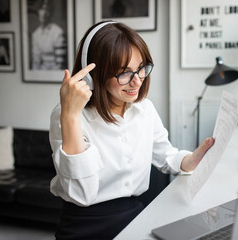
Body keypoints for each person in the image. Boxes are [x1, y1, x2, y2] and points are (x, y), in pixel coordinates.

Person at [49, 21, 214, 240]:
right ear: (93, 75)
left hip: (134, 216)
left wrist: (190, 160)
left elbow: (166, 156)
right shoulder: (68, 114)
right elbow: (82, 194)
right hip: (84, 225)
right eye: (124, 73)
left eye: (140, 69)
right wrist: (70, 116)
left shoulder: (144, 108)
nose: (136, 81)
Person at [31, 0, 67, 70]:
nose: (44, 13)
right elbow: (36, 61)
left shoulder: (58, 32)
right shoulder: (35, 34)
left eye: (47, 10)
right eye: (42, 9)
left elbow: (60, 64)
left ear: (50, 13)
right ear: (38, 11)